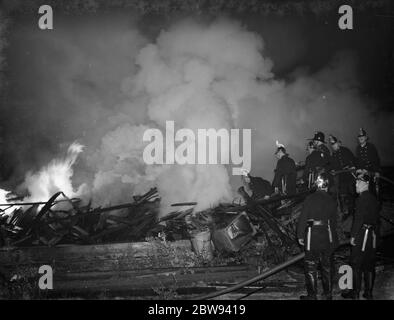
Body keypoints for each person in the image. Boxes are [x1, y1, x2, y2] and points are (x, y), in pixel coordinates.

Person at [297, 173, 338, 300]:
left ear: (317, 184)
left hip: (312, 235)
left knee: (310, 266)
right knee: (327, 266)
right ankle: (328, 294)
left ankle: (312, 295)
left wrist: (299, 235)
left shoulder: (310, 198)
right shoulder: (332, 199)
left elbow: (303, 218)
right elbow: (334, 221)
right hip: (327, 234)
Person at [342, 173, 380, 300]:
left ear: (366, 184)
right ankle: (368, 293)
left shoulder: (361, 199)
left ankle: (355, 293)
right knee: (369, 265)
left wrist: (353, 236)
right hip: (372, 235)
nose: (356, 185)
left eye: (358, 182)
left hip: (361, 234)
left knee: (355, 264)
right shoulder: (374, 198)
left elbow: (358, 219)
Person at [329, 135, 356, 219]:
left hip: (350, 175)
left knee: (353, 193)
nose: (333, 146)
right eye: (331, 145)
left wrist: (352, 166)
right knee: (343, 194)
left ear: (338, 143)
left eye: (334, 144)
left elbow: (354, 160)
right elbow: (333, 165)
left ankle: (354, 210)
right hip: (342, 177)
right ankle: (345, 212)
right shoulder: (333, 155)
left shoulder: (345, 150)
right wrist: (333, 170)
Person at [355, 128, 381, 196]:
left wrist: (376, 171)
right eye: (359, 137)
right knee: (361, 191)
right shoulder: (358, 148)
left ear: (366, 138)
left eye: (362, 136)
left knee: (372, 193)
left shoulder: (371, 147)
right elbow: (358, 161)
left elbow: (376, 160)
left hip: (371, 172)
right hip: (362, 173)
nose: (361, 138)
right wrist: (357, 169)